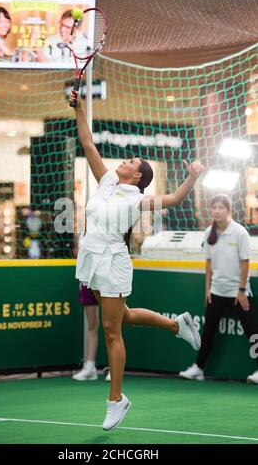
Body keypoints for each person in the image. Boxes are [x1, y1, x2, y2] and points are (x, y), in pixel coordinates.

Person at [70, 89, 203, 431]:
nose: (125, 161)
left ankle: (116, 400)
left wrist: (193, 175)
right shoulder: (107, 182)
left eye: (132, 162)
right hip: (91, 257)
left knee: (113, 331)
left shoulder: (136, 199)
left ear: (137, 176)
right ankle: (178, 325)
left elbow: (173, 199)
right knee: (123, 318)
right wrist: (79, 110)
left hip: (112, 261)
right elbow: (88, 145)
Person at [179, 194, 258, 384]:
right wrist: (208, 288)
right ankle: (198, 368)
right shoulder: (208, 233)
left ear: (229, 210)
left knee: (253, 331)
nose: (216, 211)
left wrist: (241, 290)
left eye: (221, 207)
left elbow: (245, 263)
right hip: (216, 292)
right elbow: (208, 263)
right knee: (208, 332)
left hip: (238, 293)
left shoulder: (240, 232)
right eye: (214, 207)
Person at [72, 283, 111, 381]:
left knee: (111, 327)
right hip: (87, 279)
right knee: (92, 325)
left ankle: (114, 369)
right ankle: (90, 368)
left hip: (107, 279)